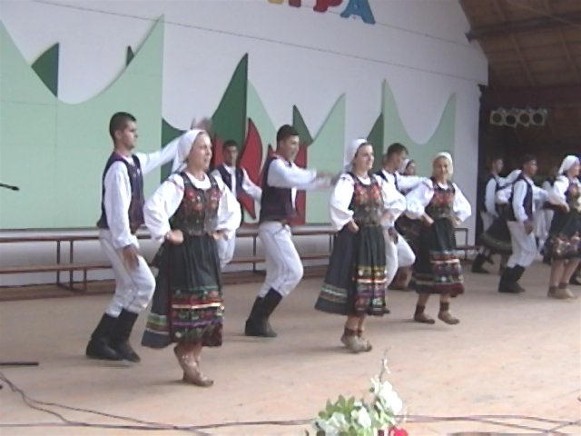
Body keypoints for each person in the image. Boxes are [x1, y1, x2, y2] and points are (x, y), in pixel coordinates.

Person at [141, 129, 240, 386]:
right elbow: (153, 206)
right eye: (202, 148)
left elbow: (233, 209)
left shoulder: (216, 183)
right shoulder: (178, 183)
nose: (208, 152)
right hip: (185, 254)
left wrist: (223, 230)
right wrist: (167, 233)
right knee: (193, 308)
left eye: (209, 148)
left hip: (206, 251)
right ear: (188, 152)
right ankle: (189, 359)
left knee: (211, 307)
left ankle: (191, 358)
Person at [86, 112, 179, 362]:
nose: (135, 134)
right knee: (145, 285)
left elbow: (161, 156)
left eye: (135, 130)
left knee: (127, 288)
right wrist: (126, 244)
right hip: (116, 236)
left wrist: (189, 136)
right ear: (118, 134)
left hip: (123, 236)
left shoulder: (133, 162)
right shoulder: (118, 169)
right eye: (130, 130)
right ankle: (116, 339)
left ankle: (103, 341)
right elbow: (117, 211)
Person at [315, 139, 405, 353]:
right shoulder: (348, 181)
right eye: (364, 155)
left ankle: (360, 331)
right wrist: (349, 221)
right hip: (358, 240)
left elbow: (398, 201)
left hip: (373, 237)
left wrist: (386, 216)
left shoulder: (377, 182)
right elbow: (337, 204)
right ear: (354, 158)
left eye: (371, 155)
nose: (369, 159)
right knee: (360, 285)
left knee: (372, 284)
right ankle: (349, 332)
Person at [244, 124, 331, 338]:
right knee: (294, 271)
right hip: (273, 226)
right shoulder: (275, 166)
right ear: (280, 143)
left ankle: (254, 322)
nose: (295, 148)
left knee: (274, 275)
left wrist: (329, 181)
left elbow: (303, 181)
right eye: (292, 143)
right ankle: (260, 318)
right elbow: (296, 178)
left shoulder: (287, 166)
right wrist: (318, 175)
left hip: (279, 227)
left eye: (297, 144)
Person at [406, 152, 472, 324]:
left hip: (446, 233)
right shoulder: (428, 186)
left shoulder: (452, 188)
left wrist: (457, 219)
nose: (442, 169)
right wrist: (423, 216)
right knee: (429, 271)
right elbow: (410, 203)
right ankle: (420, 311)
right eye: (439, 166)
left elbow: (465, 207)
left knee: (448, 270)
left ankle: (445, 309)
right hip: (431, 234)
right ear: (433, 168)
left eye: (445, 166)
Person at [375, 143, 423, 291]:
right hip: (382, 225)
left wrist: (430, 181)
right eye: (402, 158)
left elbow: (413, 180)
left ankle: (377, 271)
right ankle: (378, 294)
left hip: (391, 225)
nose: (403, 161)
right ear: (395, 157)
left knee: (409, 257)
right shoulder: (378, 178)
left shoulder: (396, 178)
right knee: (393, 263)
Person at [498, 155, 546, 294]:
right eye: (532, 164)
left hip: (517, 221)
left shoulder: (528, 183)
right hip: (518, 221)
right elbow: (517, 204)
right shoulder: (521, 183)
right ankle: (511, 280)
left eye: (535, 165)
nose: (535, 167)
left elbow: (540, 193)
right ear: (525, 166)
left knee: (519, 252)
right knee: (530, 250)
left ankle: (506, 282)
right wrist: (524, 220)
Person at [210, 140, 262, 268]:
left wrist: (268, 199)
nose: (231, 155)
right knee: (220, 251)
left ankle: (214, 279)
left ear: (237, 153)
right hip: (220, 217)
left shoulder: (240, 173)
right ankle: (213, 281)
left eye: (234, 152)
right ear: (223, 153)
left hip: (232, 218)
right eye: (228, 152)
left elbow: (252, 189)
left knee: (228, 254)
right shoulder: (217, 173)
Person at [545, 155, 580, 299]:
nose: (579, 168)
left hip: (575, 221)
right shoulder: (562, 181)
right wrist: (564, 204)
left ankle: (563, 284)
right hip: (563, 221)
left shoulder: (577, 183)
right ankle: (553, 288)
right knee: (560, 255)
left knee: (576, 254)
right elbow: (553, 196)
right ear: (569, 167)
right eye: (576, 165)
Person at [472, 156, 505, 273]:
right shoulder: (491, 180)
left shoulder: (496, 180)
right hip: (488, 213)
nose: (501, 166)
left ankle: (479, 262)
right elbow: (489, 200)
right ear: (493, 164)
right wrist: (494, 213)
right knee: (488, 239)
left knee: (489, 240)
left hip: (489, 212)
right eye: (499, 163)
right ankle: (477, 264)